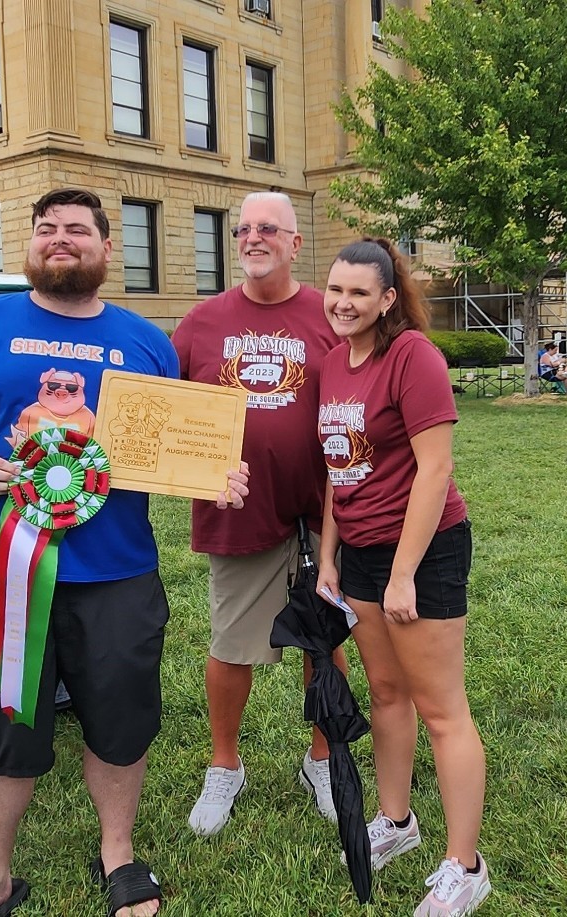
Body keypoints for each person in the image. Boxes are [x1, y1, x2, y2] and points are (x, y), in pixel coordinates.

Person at [0, 188, 248, 917]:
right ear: (29, 243)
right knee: (1, 725)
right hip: (5, 573)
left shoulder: (145, 341)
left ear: (106, 248)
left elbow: (170, 448)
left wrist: (214, 474)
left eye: (78, 229)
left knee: (121, 721)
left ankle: (118, 853)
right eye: (47, 227)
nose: (61, 238)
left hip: (118, 574)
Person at [316, 238, 490, 916]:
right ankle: (396, 820)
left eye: (359, 292)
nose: (343, 302)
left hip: (424, 550)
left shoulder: (413, 356)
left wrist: (404, 574)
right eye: (336, 289)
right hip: (359, 551)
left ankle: (465, 865)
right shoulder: (334, 362)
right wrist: (330, 556)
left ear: (388, 298)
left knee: (442, 709)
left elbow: (436, 468)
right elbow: (337, 468)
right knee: (386, 692)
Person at [172, 191, 346, 837]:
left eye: (268, 228)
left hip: (324, 510)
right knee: (230, 646)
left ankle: (322, 759)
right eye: (243, 228)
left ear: (295, 243)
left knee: (325, 640)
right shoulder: (202, 322)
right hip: (237, 511)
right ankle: (225, 765)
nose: (252, 237)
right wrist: (197, 472)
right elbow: (166, 416)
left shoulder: (329, 314)